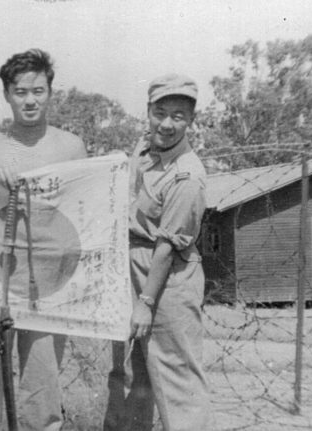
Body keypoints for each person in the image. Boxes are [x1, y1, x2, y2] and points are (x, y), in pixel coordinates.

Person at [0, 48, 87, 431]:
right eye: (20, 91)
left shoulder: (71, 146)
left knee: (42, 377)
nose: (30, 100)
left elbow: (85, 213)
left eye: (38, 90)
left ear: (51, 92)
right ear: (7, 94)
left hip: (48, 279)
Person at [103, 74, 210, 431]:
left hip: (167, 280)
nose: (166, 124)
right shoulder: (145, 156)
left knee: (176, 380)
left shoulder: (187, 175)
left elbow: (167, 246)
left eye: (178, 116)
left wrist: (146, 303)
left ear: (190, 121)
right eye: (159, 112)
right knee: (131, 377)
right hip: (132, 269)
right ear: (147, 112)